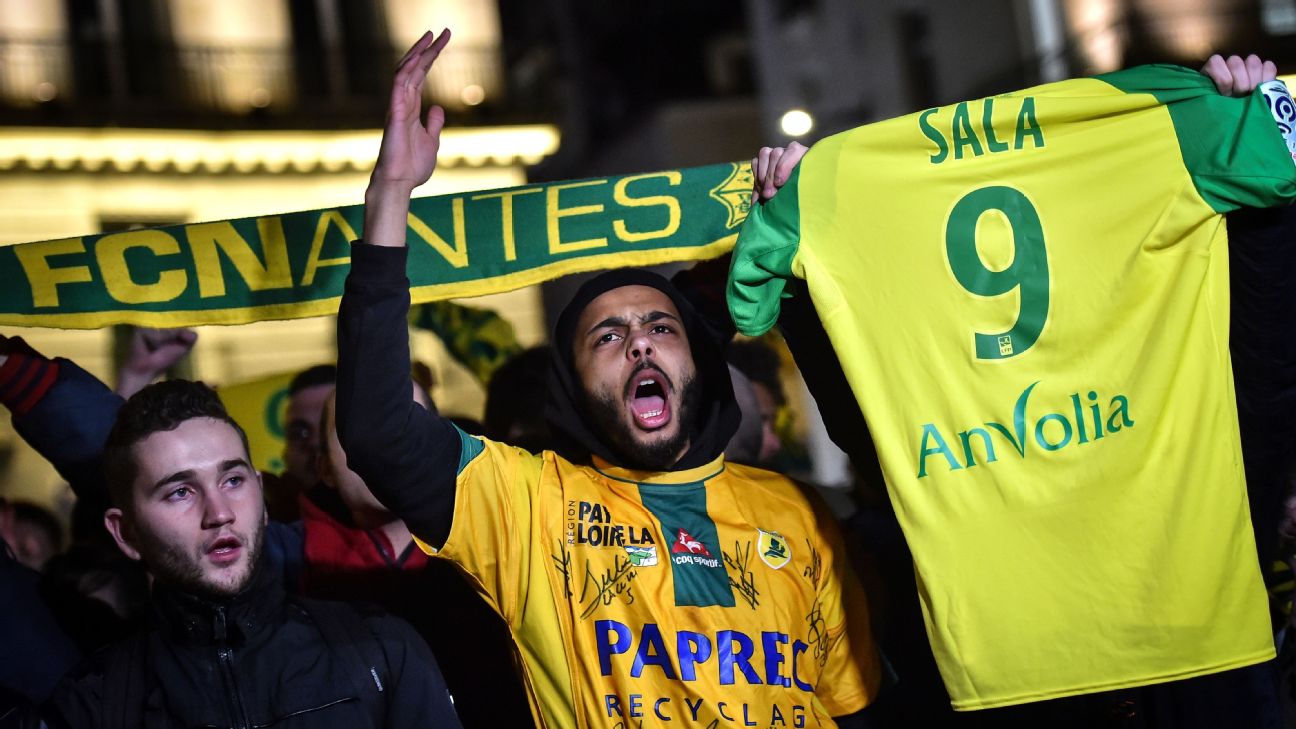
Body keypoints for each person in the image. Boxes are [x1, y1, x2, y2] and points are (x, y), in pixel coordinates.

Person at [336, 28, 882, 728]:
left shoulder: (800, 515)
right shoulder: (528, 508)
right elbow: (378, 428)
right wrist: (389, 196)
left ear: (697, 359)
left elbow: (856, 707)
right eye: (607, 335)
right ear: (572, 386)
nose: (639, 345)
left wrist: (785, 226)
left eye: (661, 328)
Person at [43, 380, 461, 729]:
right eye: (180, 492)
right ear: (126, 533)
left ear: (261, 494)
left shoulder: (381, 650)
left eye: (232, 480)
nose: (219, 513)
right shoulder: (93, 704)